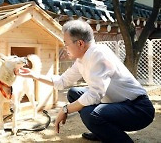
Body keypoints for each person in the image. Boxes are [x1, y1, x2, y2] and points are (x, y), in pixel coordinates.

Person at [16, 19, 155, 143]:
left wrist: (65, 109)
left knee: (91, 114)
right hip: (117, 102)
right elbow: (62, 81)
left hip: (138, 109)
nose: (65, 48)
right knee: (73, 93)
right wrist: (34, 75)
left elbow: (94, 95)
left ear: (80, 43)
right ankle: (102, 132)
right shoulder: (82, 59)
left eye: (66, 43)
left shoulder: (98, 55)